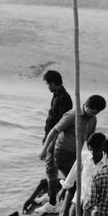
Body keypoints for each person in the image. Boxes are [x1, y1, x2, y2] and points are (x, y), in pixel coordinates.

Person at [36, 95, 106, 216]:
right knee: (73, 184)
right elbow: (54, 130)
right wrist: (44, 149)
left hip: (76, 154)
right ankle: (62, 213)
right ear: (87, 106)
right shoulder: (73, 115)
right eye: (92, 111)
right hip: (62, 152)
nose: (93, 115)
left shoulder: (93, 119)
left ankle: (60, 203)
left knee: (77, 181)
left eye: (97, 113)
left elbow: (90, 139)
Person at [34, 71, 73, 206]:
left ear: (53, 83)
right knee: (51, 167)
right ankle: (51, 195)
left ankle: (52, 202)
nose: (48, 87)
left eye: (48, 84)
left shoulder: (64, 98)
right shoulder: (57, 96)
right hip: (51, 136)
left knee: (50, 167)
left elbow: (61, 123)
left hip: (55, 137)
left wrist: (49, 141)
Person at [59, 132, 106, 216]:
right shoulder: (83, 156)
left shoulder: (106, 164)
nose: (94, 153)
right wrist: (63, 189)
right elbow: (72, 175)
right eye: (92, 150)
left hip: (95, 205)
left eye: (97, 150)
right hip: (79, 199)